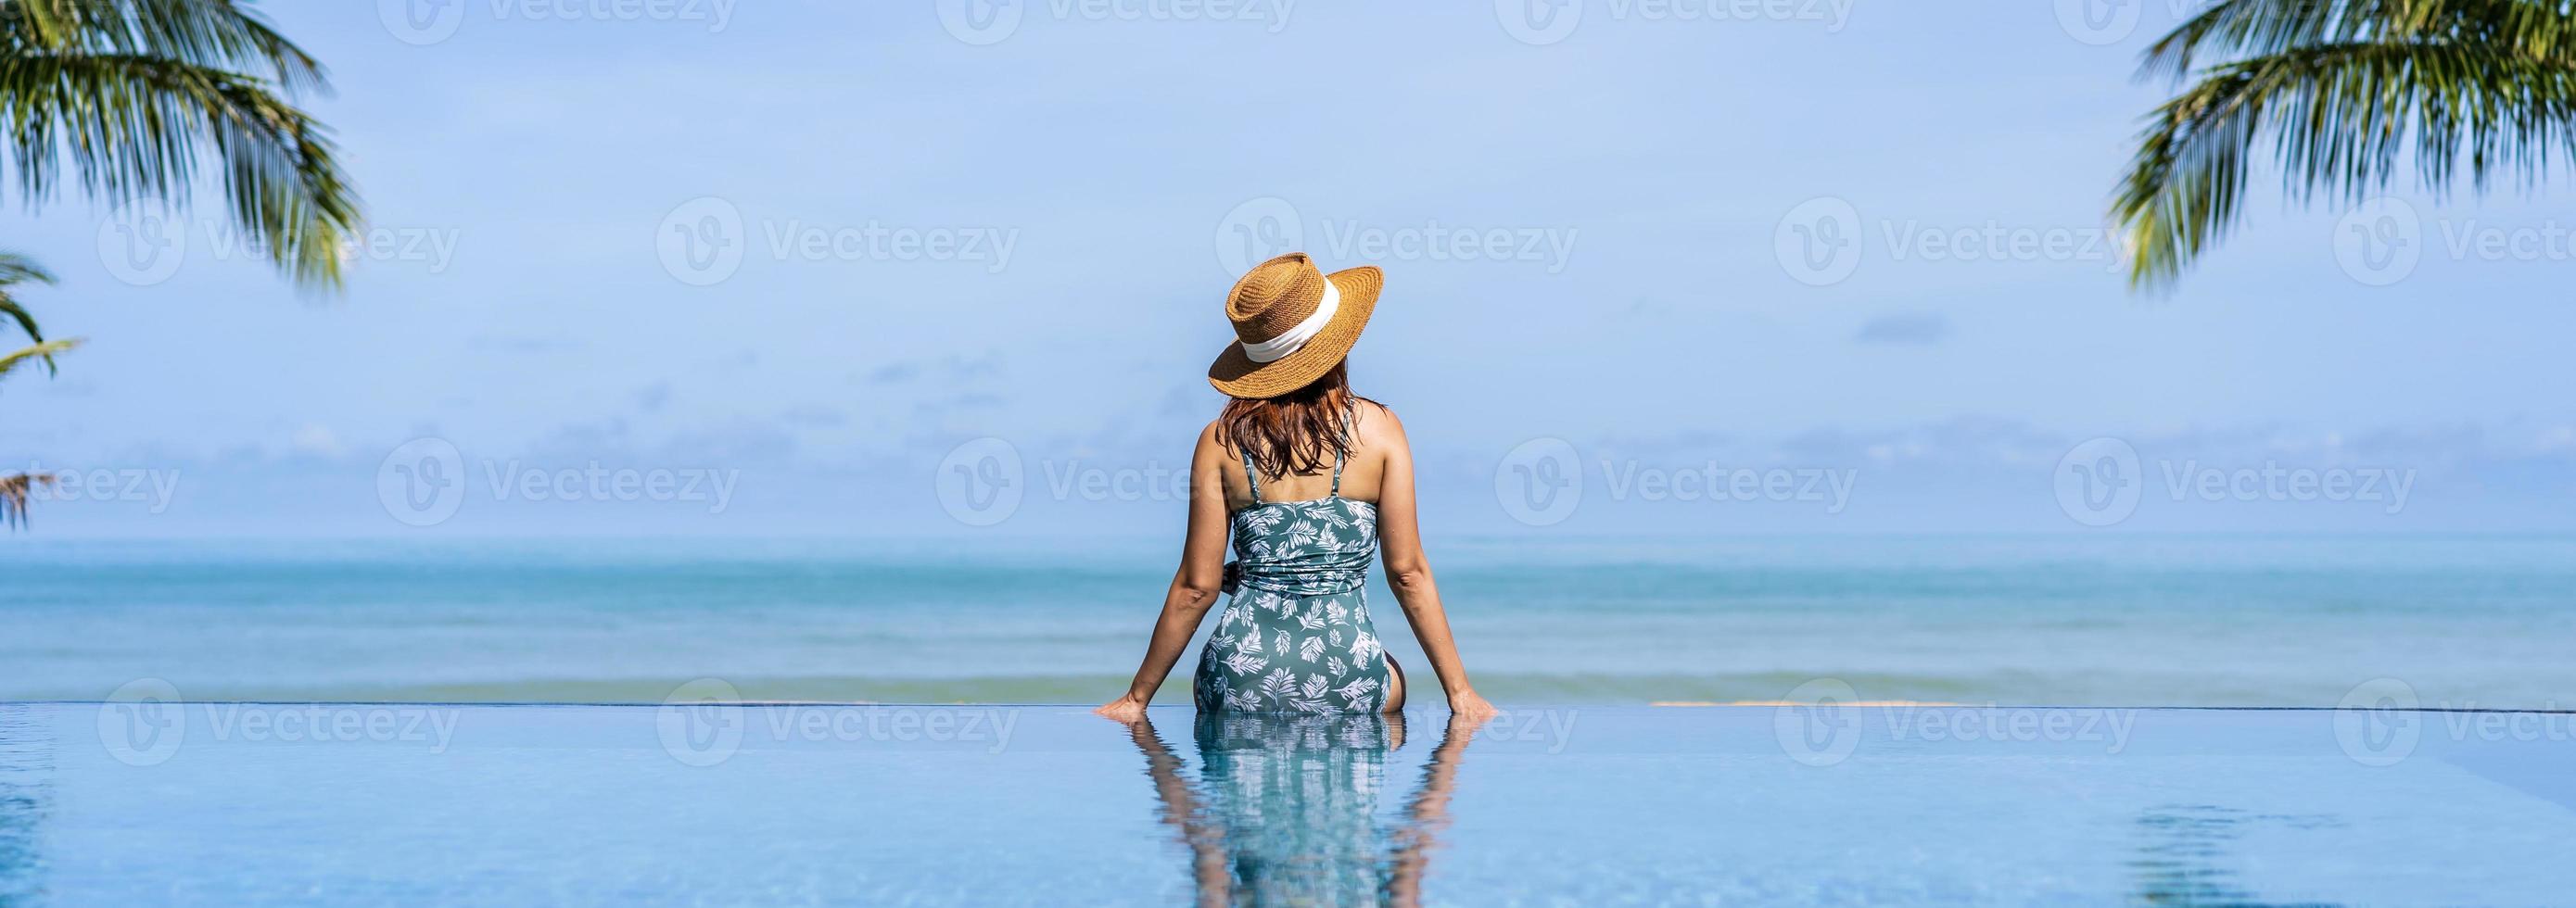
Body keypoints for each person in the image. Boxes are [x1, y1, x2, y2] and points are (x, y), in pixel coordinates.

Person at [1096, 252, 1494, 719]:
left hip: (1239, 677)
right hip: (1346, 674)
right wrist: (1461, 694)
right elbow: (1407, 573)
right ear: (1338, 343)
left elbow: (1195, 588)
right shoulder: (1380, 430)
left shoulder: (1221, 441)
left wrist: (1136, 698)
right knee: (1392, 685)